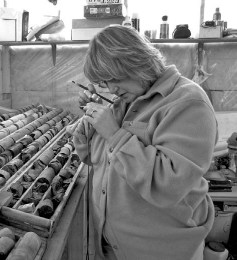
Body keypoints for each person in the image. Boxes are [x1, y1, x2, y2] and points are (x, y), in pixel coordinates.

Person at [72, 25, 218, 260]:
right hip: (113, 247)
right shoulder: (129, 99)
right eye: (104, 83)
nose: (111, 89)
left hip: (163, 251)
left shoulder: (188, 102)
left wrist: (114, 133)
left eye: (114, 79)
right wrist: (92, 118)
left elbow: (168, 184)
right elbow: (92, 157)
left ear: (137, 62)